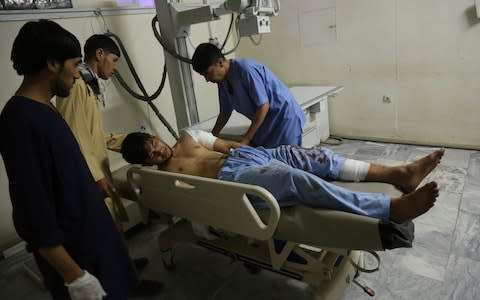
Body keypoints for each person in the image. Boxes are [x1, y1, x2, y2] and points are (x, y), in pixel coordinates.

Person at [0, 20, 136, 299]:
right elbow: (32, 213)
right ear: (52, 64)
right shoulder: (20, 121)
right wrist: (74, 276)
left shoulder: (45, 109)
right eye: (74, 65)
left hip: (92, 240)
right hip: (78, 257)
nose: (77, 75)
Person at [120, 129, 444, 223]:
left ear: (155, 136)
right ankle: (390, 210)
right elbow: (195, 198)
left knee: (314, 156)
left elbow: (226, 143)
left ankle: (401, 173)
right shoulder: (164, 175)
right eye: (150, 155)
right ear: (147, 163)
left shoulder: (188, 137)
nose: (159, 152)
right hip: (232, 176)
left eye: (154, 144)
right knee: (295, 179)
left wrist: (250, 149)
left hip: (246, 156)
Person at [55, 34, 163, 296]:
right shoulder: (77, 86)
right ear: (100, 54)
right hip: (90, 175)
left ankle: (125, 268)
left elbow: (94, 135)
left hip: (96, 168)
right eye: (114, 60)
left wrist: (136, 140)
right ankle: (127, 284)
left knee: (114, 226)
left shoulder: (89, 86)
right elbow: (73, 137)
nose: (115, 68)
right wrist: (95, 176)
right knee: (106, 231)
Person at [191, 43, 306, 148]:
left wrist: (245, 140)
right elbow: (225, 113)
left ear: (220, 62)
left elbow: (263, 106)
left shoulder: (245, 69)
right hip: (266, 125)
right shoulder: (222, 82)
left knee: (290, 160)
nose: (207, 79)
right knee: (270, 164)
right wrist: (210, 139)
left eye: (208, 73)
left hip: (284, 119)